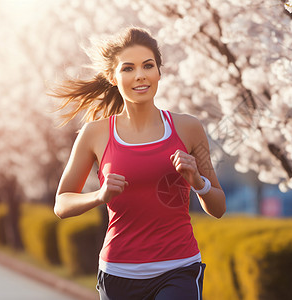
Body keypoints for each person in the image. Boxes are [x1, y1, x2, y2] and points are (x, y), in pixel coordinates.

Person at [52, 27, 226, 300]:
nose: (140, 75)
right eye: (128, 68)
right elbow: (61, 204)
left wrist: (197, 182)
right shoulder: (95, 134)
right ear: (113, 77)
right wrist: (99, 195)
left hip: (178, 269)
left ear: (159, 71)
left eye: (148, 66)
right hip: (118, 273)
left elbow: (219, 207)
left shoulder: (188, 128)